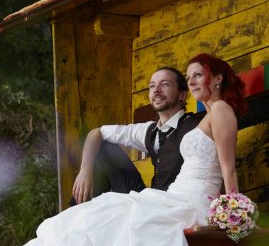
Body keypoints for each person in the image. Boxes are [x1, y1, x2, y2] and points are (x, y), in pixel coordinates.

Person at [17, 53, 247, 246]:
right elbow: (98, 133)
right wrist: (85, 170)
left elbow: (228, 168)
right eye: (189, 77)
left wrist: (233, 212)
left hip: (187, 200)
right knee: (106, 209)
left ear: (216, 79)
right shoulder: (184, 121)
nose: (192, 81)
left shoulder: (211, 114)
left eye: (198, 75)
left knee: (118, 216)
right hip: (171, 196)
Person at [71, 67, 201, 204]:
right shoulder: (149, 130)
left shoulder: (196, 127)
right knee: (104, 146)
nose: (156, 90)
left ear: (182, 95)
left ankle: (83, 209)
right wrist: (84, 171)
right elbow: (96, 133)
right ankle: (79, 209)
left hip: (175, 204)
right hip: (149, 200)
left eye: (165, 84)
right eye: (152, 86)